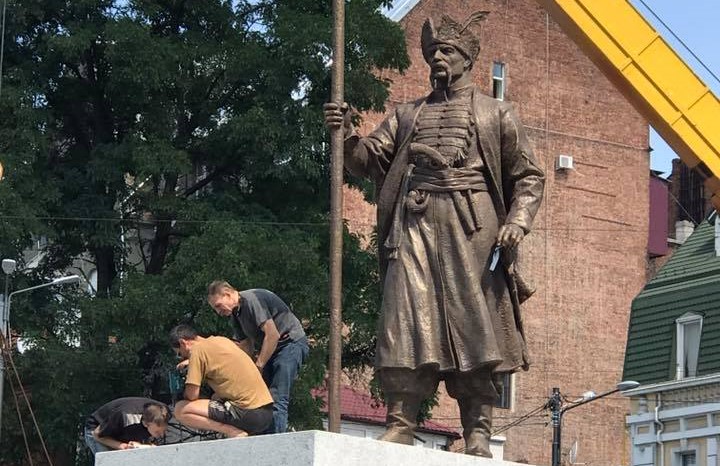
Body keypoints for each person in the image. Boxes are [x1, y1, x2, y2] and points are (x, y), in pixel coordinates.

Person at [323, 11, 545, 458]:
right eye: (432, 53)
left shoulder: (497, 113)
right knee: (402, 321)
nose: (437, 59)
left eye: (446, 51)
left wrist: (517, 222)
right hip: (416, 225)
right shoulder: (408, 115)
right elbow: (370, 161)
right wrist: (347, 134)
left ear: (466, 58)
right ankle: (401, 421)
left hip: (474, 229)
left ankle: (478, 431)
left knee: (475, 329)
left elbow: (530, 176)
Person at [206, 281, 309, 434]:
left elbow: (272, 335)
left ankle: (275, 441)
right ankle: (261, 436)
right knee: (260, 398)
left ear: (228, 294)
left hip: (290, 344)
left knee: (277, 395)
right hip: (271, 350)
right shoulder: (236, 315)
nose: (218, 311)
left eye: (218, 305)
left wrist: (259, 366)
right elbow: (246, 346)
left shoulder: (251, 299)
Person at [170, 324, 274, 437]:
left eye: (180, 354)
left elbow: (192, 395)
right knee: (215, 397)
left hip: (247, 413)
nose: (182, 358)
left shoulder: (196, 351)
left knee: (181, 409)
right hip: (266, 412)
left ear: (183, 343)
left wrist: (182, 392)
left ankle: (232, 432)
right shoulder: (221, 340)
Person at [83, 397, 170, 456]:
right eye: (157, 432)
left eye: (164, 430)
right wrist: (121, 445)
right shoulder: (125, 416)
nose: (162, 435)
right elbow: (97, 435)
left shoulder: (164, 412)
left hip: (124, 429)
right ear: (146, 424)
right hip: (99, 430)